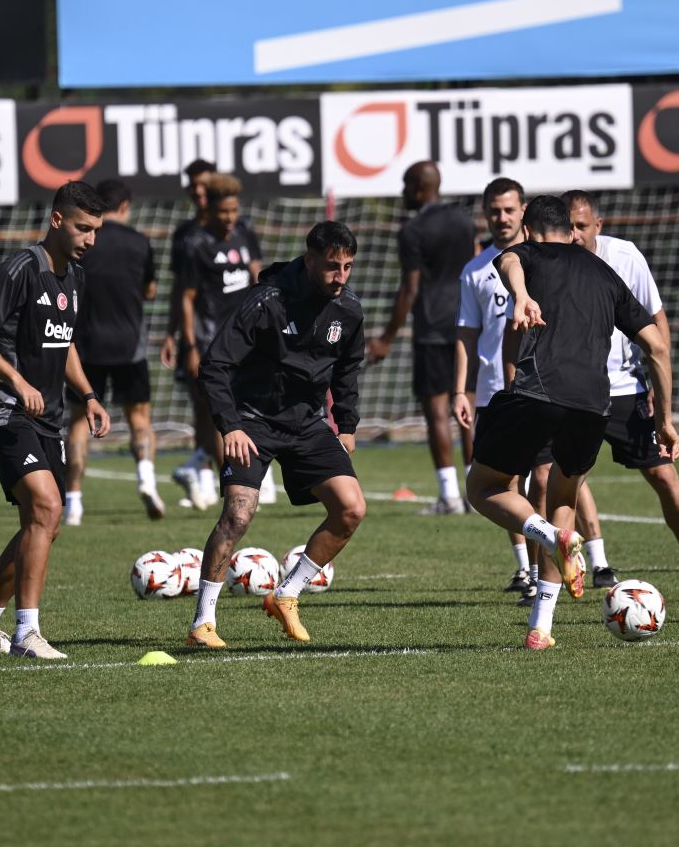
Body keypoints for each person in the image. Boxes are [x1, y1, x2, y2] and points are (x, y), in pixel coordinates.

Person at [466, 196, 677, 650]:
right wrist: (666, 421)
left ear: (531, 230)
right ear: (569, 228)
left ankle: (550, 534)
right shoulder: (604, 272)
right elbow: (658, 348)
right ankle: (541, 628)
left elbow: (508, 262)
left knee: (483, 488)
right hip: (595, 406)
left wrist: (521, 295)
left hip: (537, 393)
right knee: (563, 495)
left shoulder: (529, 253)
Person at [185, 221, 365, 649]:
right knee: (238, 515)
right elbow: (214, 365)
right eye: (331, 266)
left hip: (306, 423)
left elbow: (347, 370)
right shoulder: (266, 301)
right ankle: (202, 623)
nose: (340, 276)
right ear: (308, 261)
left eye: (348, 267)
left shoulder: (350, 312)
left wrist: (349, 425)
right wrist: (230, 425)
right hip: (252, 421)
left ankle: (285, 595)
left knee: (351, 509)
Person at [0, 181, 111, 659]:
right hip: (4, 409)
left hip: (48, 416)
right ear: (57, 220)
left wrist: (88, 395)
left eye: (96, 231)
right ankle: (27, 633)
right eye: (84, 228)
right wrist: (15, 380)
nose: (91, 239)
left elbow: (62, 341)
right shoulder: (23, 268)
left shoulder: (76, 277)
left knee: (44, 522)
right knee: (45, 507)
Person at [563, 190, 679, 603]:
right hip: (574, 392)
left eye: (581, 226)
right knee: (560, 486)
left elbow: (656, 321)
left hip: (625, 389)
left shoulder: (625, 258)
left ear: (597, 226)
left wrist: (662, 394)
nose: (573, 235)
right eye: (566, 225)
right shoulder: (552, 261)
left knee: (664, 475)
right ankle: (547, 583)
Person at [367, 161, 477, 515]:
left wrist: (385, 337)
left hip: (431, 328)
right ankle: (478, 492)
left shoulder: (412, 229)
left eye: (404, 185)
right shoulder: (464, 220)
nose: (402, 193)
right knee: (468, 409)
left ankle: (449, 496)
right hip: (466, 324)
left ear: (417, 187)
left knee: (436, 414)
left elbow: (410, 288)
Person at [451, 178, 541, 602]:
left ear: (523, 209)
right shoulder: (475, 270)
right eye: (494, 211)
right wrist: (460, 391)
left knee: (545, 476)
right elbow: (467, 337)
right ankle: (525, 569)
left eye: (509, 209)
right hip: (492, 393)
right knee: (505, 483)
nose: (501, 218)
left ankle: (568, 563)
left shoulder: (543, 259)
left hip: (541, 388)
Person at [165, 173, 270, 510]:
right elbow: (186, 298)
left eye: (234, 210)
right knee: (214, 413)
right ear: (209, 209)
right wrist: (191, 345)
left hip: (247, 338)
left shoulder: (244, 232)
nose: (230, 218)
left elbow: (257, 275)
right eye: (224, 212)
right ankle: (228, 474)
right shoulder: (196, 244)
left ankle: (251, 471)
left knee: (253, 406)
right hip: (211, 341)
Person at [64, 178, 163, 526]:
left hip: (86, 346)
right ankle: (147, 481)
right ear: (125, 206)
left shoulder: (85, 242)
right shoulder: (139, 242)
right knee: (140, 420)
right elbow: (150, 290)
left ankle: (73, 501)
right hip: (129, 345)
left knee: (78, 422)